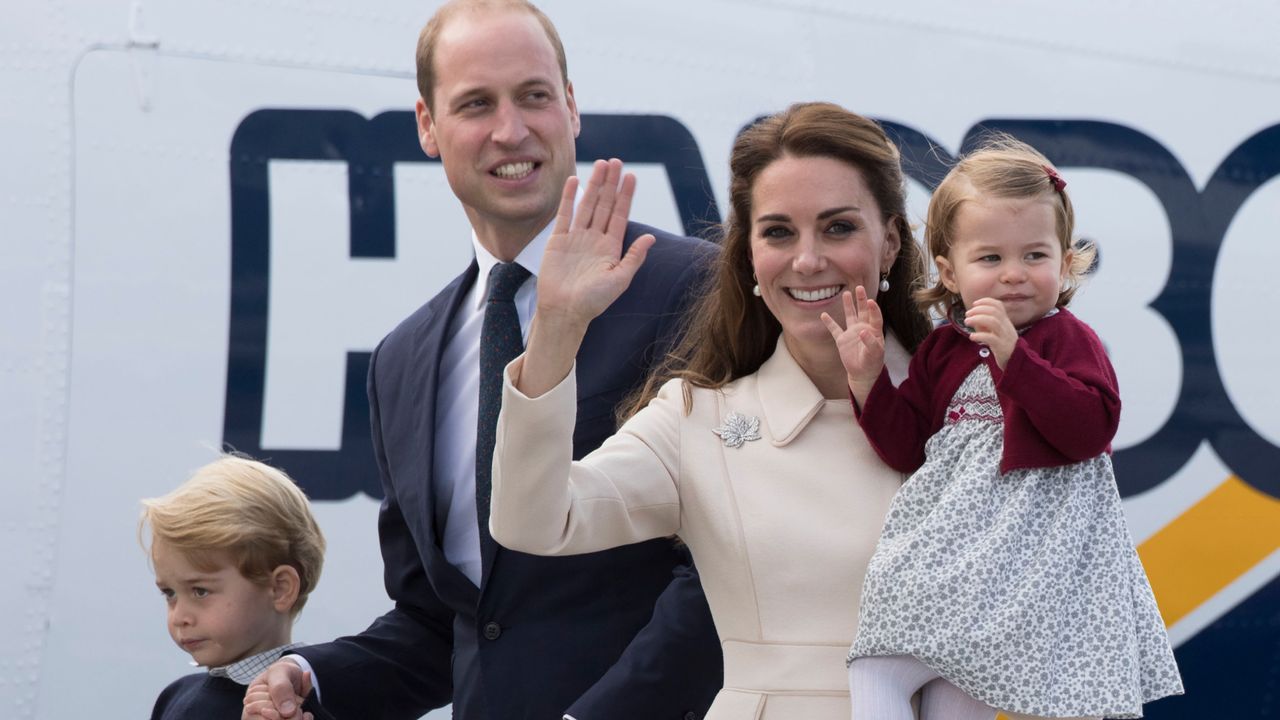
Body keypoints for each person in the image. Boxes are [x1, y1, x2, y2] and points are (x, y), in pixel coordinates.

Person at [243, 1, 722, 719]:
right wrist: (309, 675)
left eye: (534, 95)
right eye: (476, 104)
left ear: (572, 107)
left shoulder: (689, 288)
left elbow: (723, 569)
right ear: (428, 128)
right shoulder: (403, 363)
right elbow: (447, 623)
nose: (511, 129)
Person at [487, 102, 934, 720]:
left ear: (889, 242)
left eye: (837, 228)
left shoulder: (979, 410)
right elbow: (533, 523)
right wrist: (558, 328)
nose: (807, 260)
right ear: (749, 255)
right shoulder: (699, 421)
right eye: (778, 232)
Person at [825, 136, 1184, 719]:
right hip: (953, 556)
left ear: (1065, 263)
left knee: (905, 672)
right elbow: (907, 445)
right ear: (950, 270)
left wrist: (1018, 360)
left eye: (1035, 256)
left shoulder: (1068, 338)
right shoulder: (945, 348)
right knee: (905, 671)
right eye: (990, 258)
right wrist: (868, 381)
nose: (1014, 275)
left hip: (1027, 561)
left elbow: (1089, 429)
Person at [141, 456, 328, 720]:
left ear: (280, 589)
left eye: (200, 591)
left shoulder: (304, 702)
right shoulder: (175, 696)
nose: (180, 617)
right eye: (169, 593)